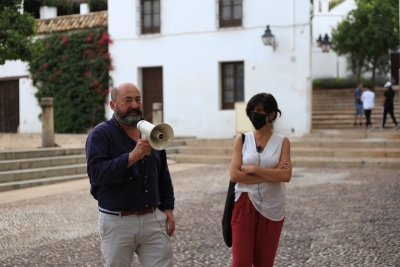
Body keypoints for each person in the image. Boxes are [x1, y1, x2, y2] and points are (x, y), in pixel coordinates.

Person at [85, 82, 175, 267]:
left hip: (152, 219)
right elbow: (96, 173)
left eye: (138, 100)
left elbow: (163, 175)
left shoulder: (153, 132)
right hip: (117, 221)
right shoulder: (100, 135)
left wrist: (167, 208)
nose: (134, 105)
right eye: (127, 100)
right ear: (113, 105)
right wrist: (132, 157)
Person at [229, 93, 292, 267]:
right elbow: (235, 175)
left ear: (271, 114)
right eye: (251, 110)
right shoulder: (241, 140)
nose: (254, 114)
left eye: (259, 111)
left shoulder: (283, 142)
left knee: (264, 263)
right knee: (240, 262)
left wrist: (254, 170)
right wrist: (272, 173)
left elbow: (285, 176)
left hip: (273, 205)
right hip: (244, 203)